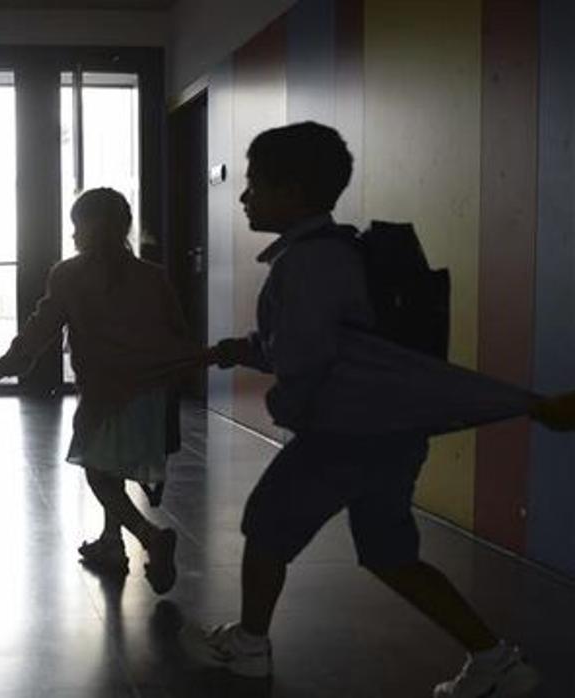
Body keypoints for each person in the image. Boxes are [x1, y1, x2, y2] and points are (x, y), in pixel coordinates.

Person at [179, 122, 541, 698]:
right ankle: (495, 658)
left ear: (293, 191)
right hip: (392, 435)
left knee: (268, 525)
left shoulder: (307, 263)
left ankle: (250, 645)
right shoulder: (340, 250)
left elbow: (306, 354)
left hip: (341, 434)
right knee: (390, 553)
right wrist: (239, 349)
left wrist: (286, 401)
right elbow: (338, 340)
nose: (244, 197)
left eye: (254, 185)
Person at [0, 188, 199, 592]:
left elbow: (41, 327)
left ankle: (149, 536)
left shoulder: (70, 273)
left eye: (75, 225)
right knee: (112, 467)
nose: (72, 236)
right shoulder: (152, 276)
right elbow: (179, 335)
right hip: (150, 391)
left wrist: (8, 364)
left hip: (105, 392)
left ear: (90, 226)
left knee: (99, 474)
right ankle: (110, 541)